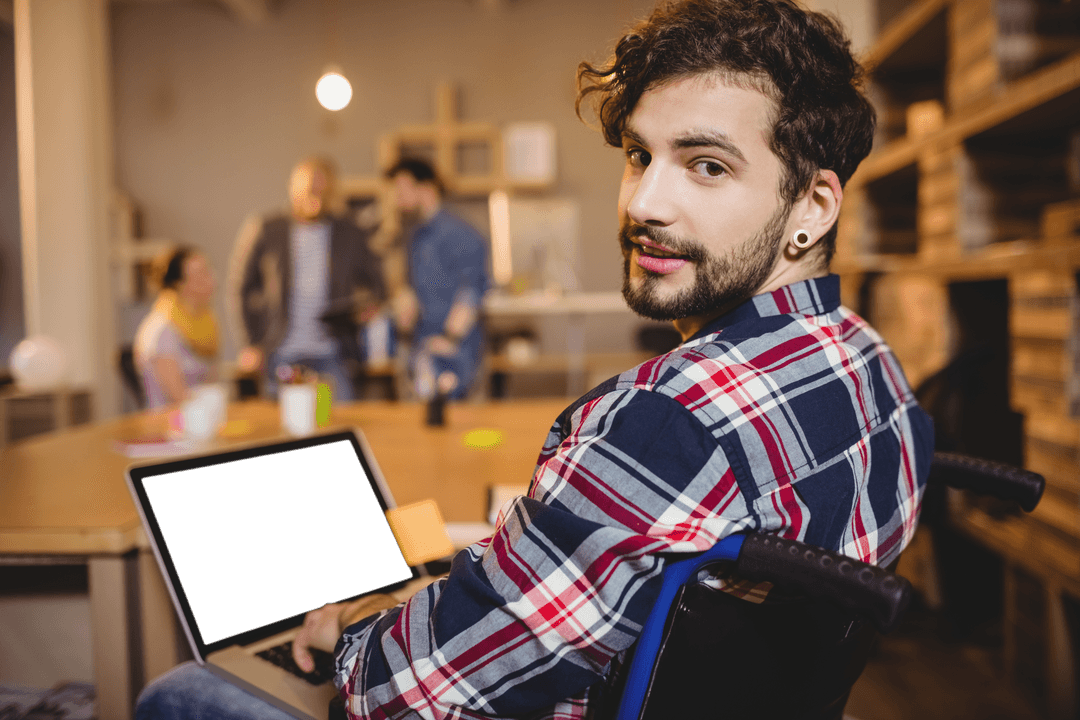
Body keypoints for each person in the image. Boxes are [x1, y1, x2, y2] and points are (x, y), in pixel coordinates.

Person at [135, 1, 934, 718]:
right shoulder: (873, 363)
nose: (645, 203)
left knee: (177, 692)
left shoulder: (665, 420)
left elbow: (412, 693)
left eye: (708, 165)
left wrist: (351, 631)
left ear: (813, 205)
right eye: (637, 155)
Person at [227, 156, 385, 402]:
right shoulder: (267, 229)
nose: (316, 196)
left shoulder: (351, 233)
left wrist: (367, 310)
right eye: (310, 188)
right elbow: (241, 288)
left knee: (341, 421)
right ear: (293, 188)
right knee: (286, 426)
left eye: (324, 190)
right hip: (280, 350)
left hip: (333, 351)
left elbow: (378, 285)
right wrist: (249, 343)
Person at [386, 157, 489, 401]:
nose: (397, 198)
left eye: (402, 190)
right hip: (423, 343)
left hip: (453, 348)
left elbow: (472, 291)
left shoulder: (460, 233)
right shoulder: (416, 235)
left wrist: (450, 338)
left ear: (426, 188)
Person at [134, 246, 219, 409]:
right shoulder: (162, 330)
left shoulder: (205, 324)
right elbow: (177, 398)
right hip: (172, 427)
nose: (212, 280)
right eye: (202, 274)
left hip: (201, 421)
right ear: (179, 284)